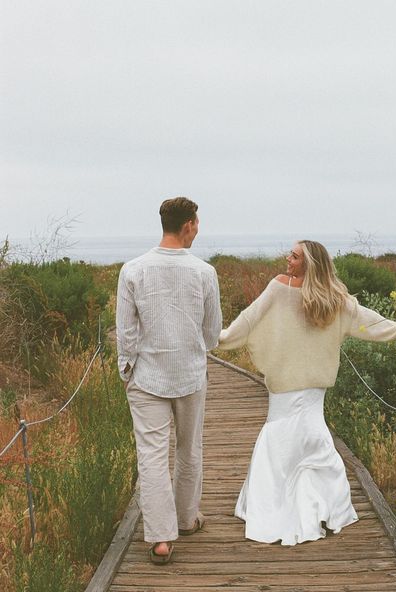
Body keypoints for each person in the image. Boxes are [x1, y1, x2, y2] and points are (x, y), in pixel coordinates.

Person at [218, 240, 396, 546]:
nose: (287, 258)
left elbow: (366, 319)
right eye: (290, 253)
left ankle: (289, 508)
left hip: (303, 388)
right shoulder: (291, 290)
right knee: (308, 443)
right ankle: (312, 506)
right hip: (293, 387)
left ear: (310, 263)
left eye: (295, 256)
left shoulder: (329, 297)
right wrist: (220, 338)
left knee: (292, 443)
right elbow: (250, 319)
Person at [116, 197, 222, 564]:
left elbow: (125, 332)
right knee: (190, 448)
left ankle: (161, 539)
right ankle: (187, 518)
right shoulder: (204, 273)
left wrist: (127, 370)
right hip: (191, 375)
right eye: (197, 223)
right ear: (189, 224)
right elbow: (212, 335)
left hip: (147, 378)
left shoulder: (133, 270)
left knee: (152, 456)